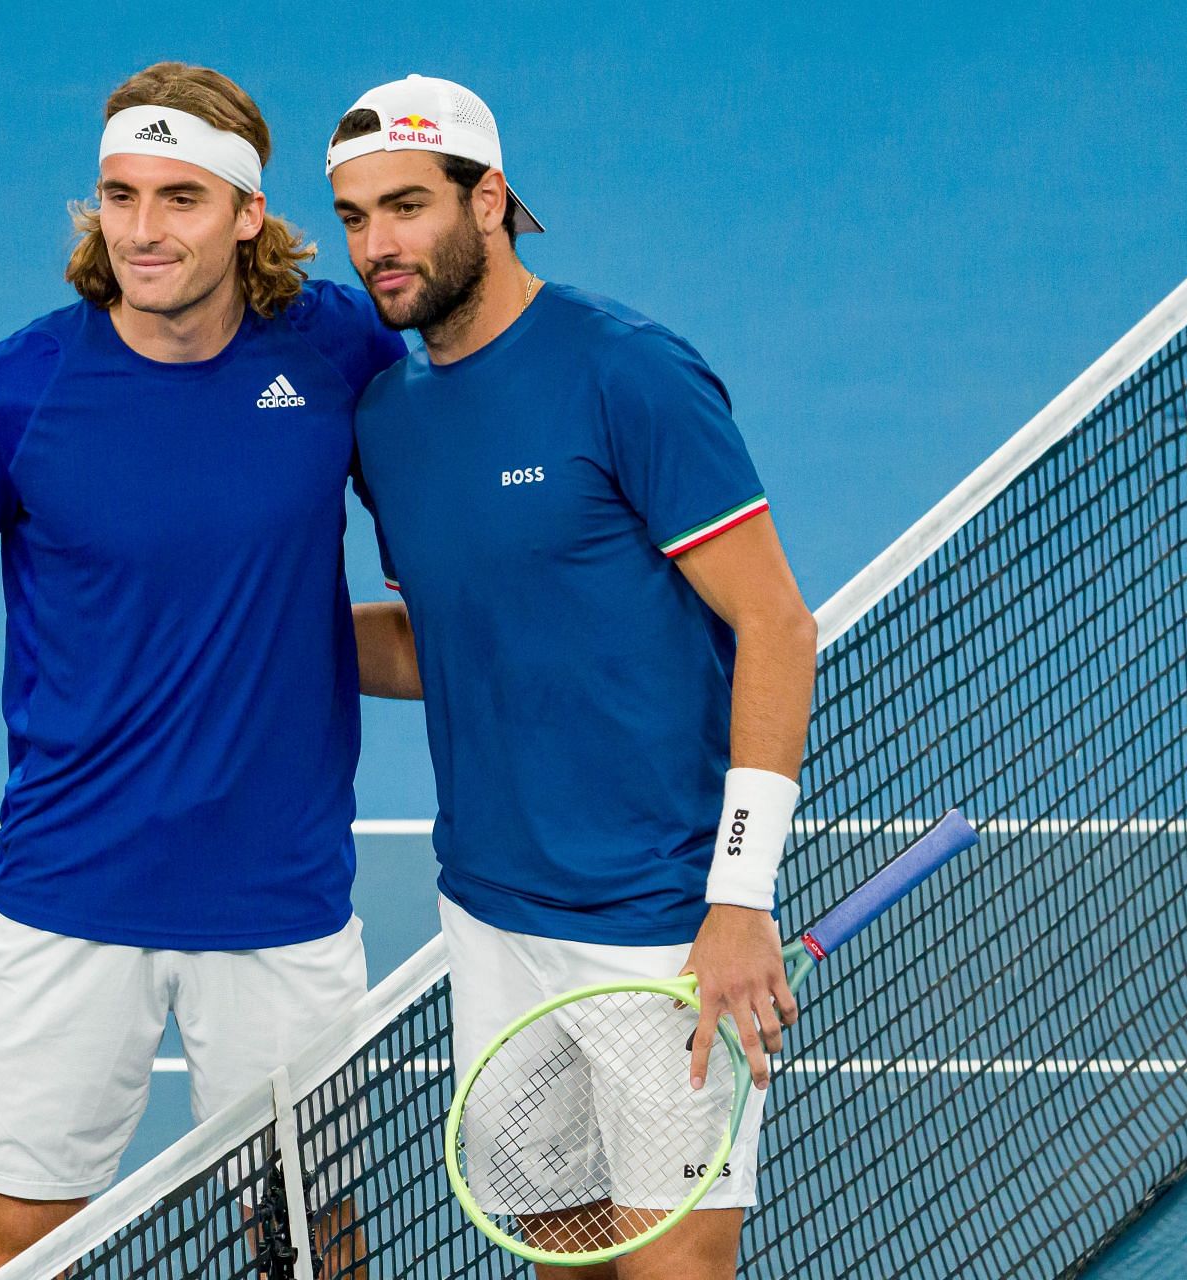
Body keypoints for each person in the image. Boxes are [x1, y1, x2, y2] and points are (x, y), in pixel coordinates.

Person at [0, 61, 406, 1279]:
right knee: (17, 1236)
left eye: (180, 199)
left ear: (249, 214)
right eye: (118, 194)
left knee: (314, 1244)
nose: (142, 230)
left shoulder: (340, 355)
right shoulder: (6, 393)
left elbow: (449, 539)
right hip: (63, 895)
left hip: (280, 903)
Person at [328, 76, 819, 1280]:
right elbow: (449, 635)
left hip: (657, 932)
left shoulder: (629, 374)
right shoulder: (387, 419)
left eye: (405, 206)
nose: (378, 246)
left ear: (488, 199)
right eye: (352, 217)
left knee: (673, 1273)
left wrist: (739, 896)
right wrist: (250, 644)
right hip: (492, 921)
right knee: (560, 1264)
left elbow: (777, 626)